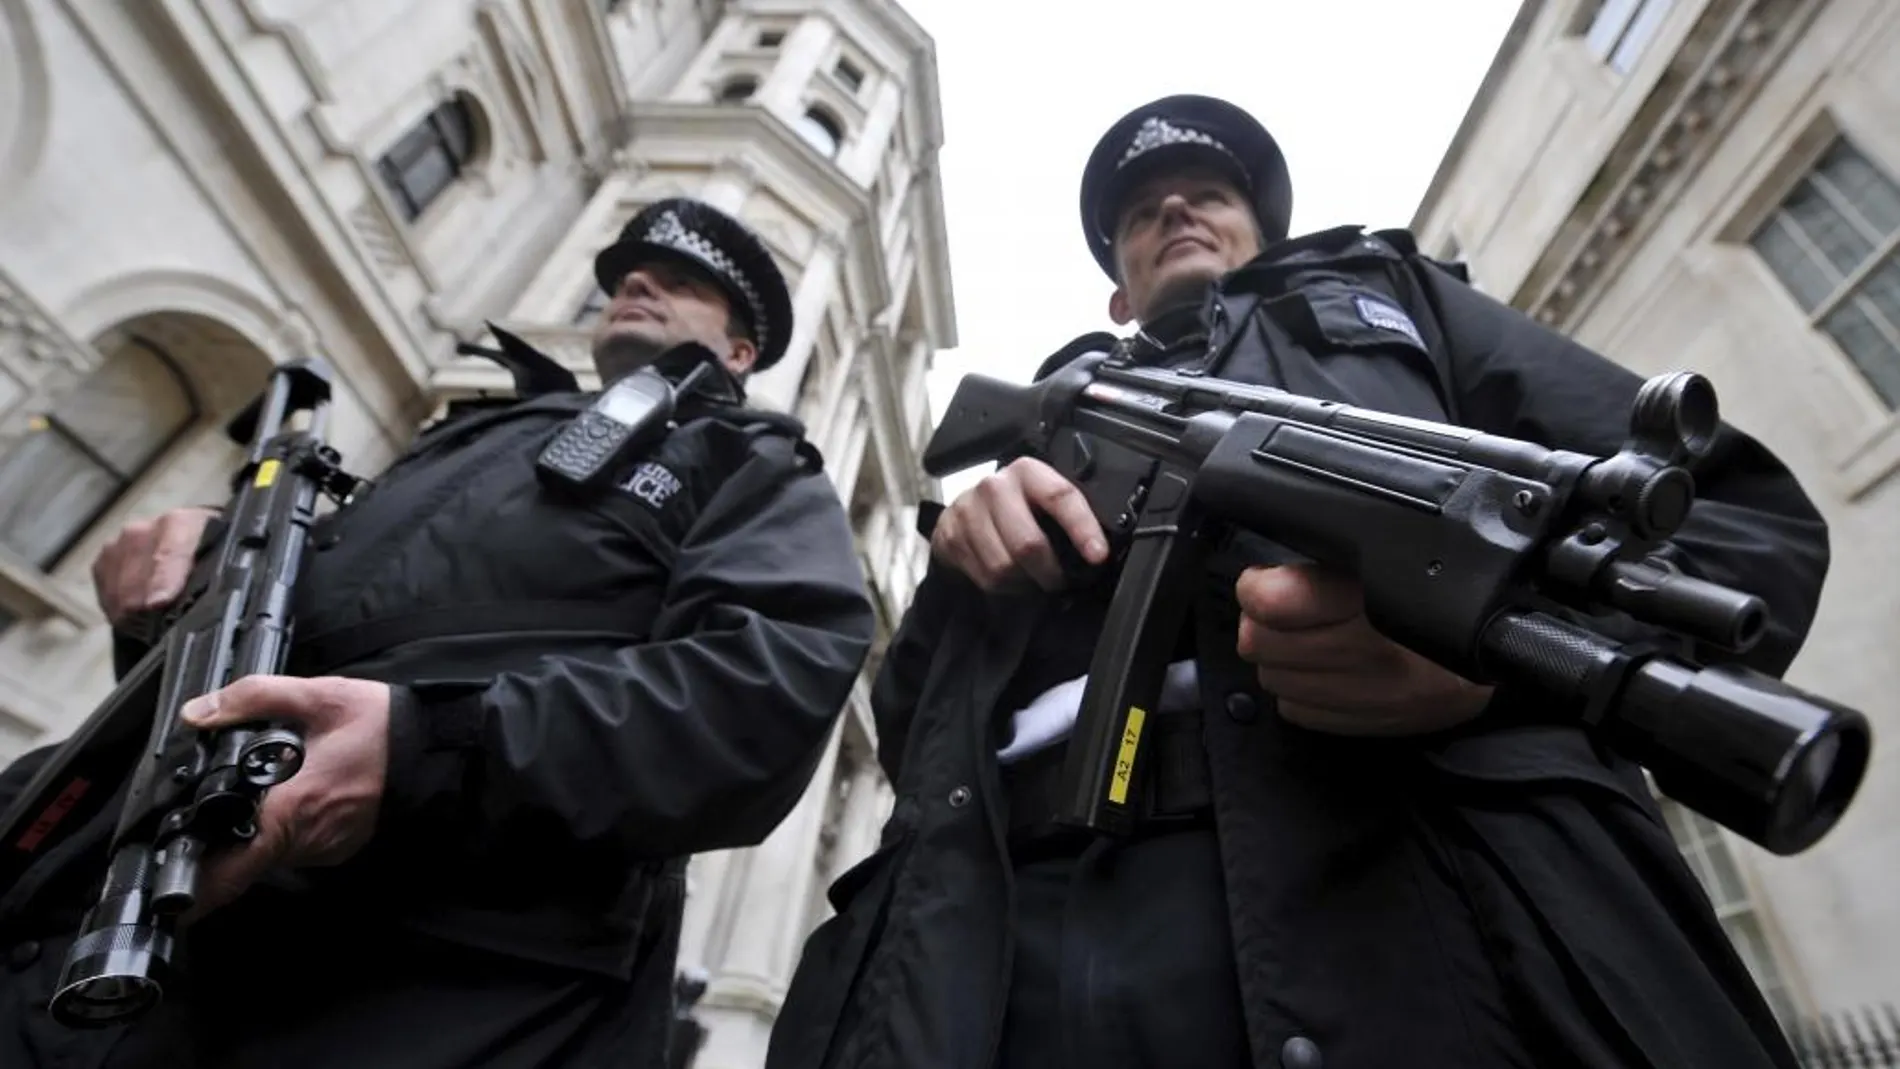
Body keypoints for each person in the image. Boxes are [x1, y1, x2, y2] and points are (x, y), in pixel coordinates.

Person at [765, 95, 1832, 1069]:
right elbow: (909, 732)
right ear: (1116, 283)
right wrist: (964, 567)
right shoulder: (1055, 414)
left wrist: (1493, 663)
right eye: (1142, 210)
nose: (1175, 206)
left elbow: (1738, 526)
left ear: (1259, 231)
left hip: (1429, 911)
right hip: (1008, 943)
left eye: (1208, 193)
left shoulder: (1401, 304)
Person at [0, 196, 876, 1069]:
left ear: (739, 350)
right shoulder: (467, 433)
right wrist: (188, 562)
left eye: (682, 283)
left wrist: (429, 745)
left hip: (415, 981)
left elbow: (761, 690)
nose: (637, 282)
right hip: (100, 912)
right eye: (627, 276)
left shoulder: (750, 461)